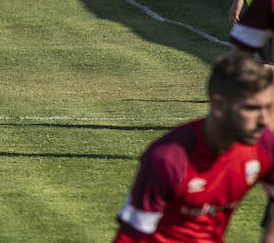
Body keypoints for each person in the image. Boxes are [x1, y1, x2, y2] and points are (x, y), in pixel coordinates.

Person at [114, 52, 274, 242]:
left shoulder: (263, 144)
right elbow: (132, 235)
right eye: (251, 108)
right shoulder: (167, 159)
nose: (264, 120)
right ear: (218, 106)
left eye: (268, 108)